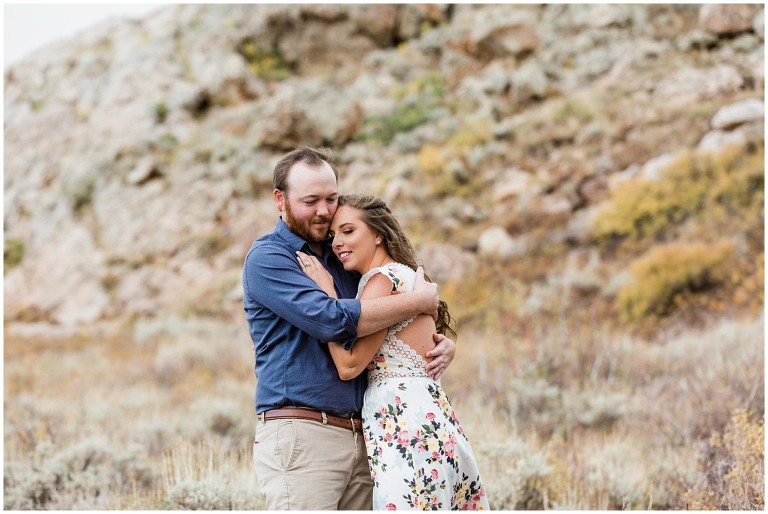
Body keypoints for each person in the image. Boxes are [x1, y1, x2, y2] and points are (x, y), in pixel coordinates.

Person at [242, 147, 457, 510]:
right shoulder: (269, 258)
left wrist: (440, 342)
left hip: (368, 437)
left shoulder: (342, 254)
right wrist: (419, 302)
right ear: (280, 199)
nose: (324, 211)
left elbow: (386, 314)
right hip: (303, 433)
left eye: (331, 198)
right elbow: (332, 320)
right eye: (311, 201)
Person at [298, 193, 489, 510]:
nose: (336, 243)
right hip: (436, 420)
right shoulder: (410, 276)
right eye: (333, 236)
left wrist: (327, 295)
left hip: (403, 424)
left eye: (348, 231)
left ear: (377, 234)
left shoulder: (381, 280)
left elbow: (349, 366)